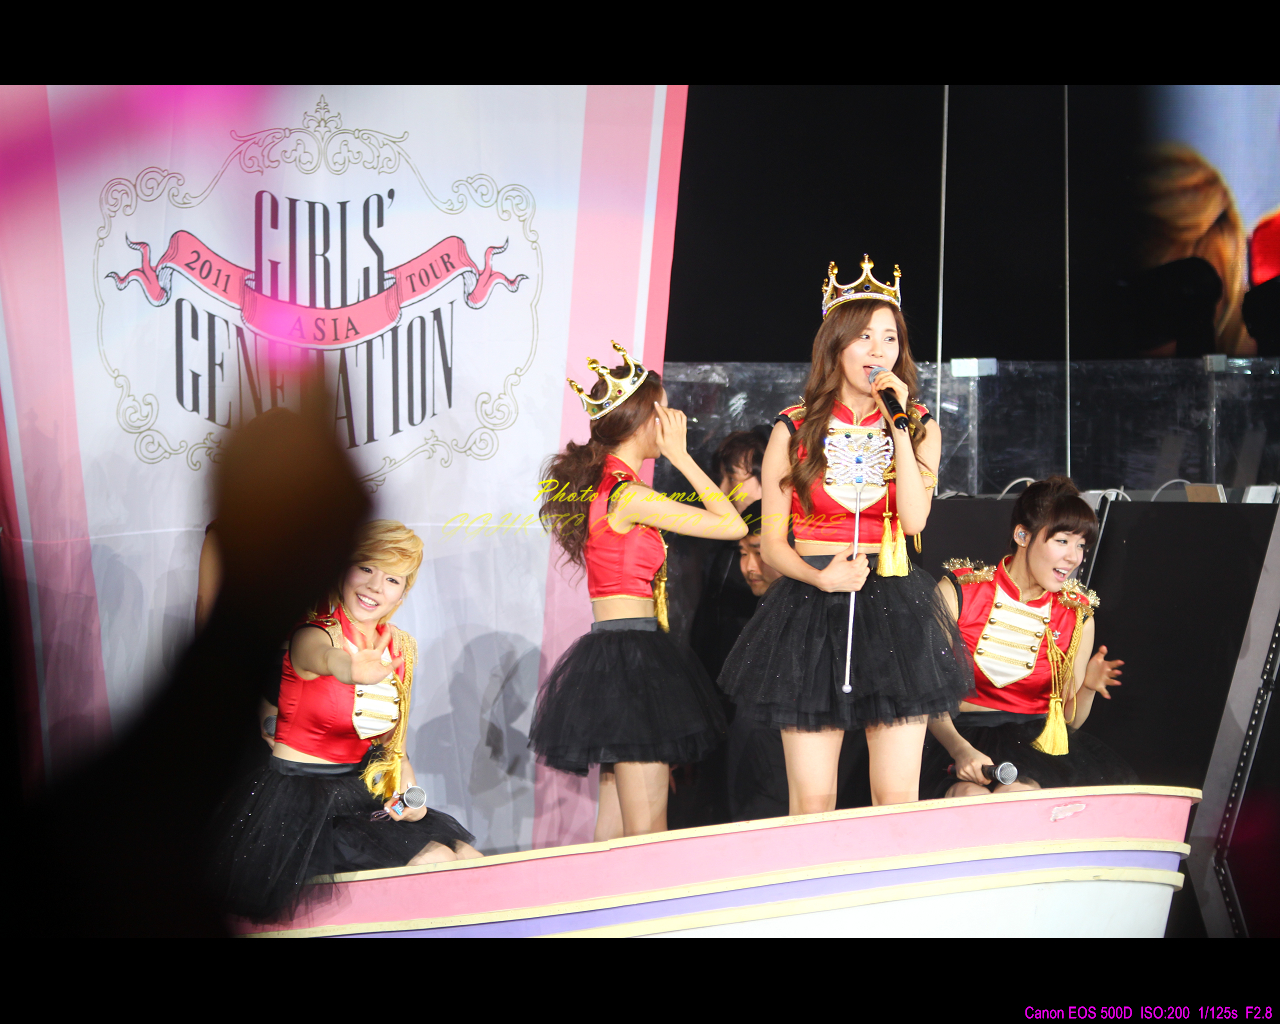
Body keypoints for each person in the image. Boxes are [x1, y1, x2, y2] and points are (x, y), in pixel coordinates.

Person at [720, 256, 970, 814]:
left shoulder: (919, 425)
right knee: (813, 800)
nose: (879, 350)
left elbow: (914, 520)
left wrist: (900, 426)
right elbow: (773, 543)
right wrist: (820, 578)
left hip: (893, 606)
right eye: (865, 336)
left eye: (890, 338)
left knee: (896, 797)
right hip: (810, 607)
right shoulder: (793, 427)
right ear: (836, 345)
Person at [209, 519, 480, 923]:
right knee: (435, 861)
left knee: (469, 858)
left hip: (362, 792)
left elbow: (394, 749)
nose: (375, 586)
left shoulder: (401, 646)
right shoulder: (311, 633)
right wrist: (351, 668)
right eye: (365, 568)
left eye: (392, 579)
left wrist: (410, 795)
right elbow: (320, 657)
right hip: (301, 804)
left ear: (404, 591)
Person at [531, 342, 747, 839]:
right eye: (664, 412)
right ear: (644, 420)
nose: (672, 421)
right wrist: (682, 456)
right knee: (647, 830)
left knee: (612, 826)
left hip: (614, 654)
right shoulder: (629, 495)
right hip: (635, 657)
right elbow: (733, 524)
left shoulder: (607, 487)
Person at [922, 477, 1136, 797]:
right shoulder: (960, 592)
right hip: (952, 738)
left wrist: (1087, 689)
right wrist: (960, 750)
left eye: (1081, 545)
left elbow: (1066, 724)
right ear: (1022, 535)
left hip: (1032, 750)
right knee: (969, 797)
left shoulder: (1076, 616)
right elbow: (923, 694)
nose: (1074, 557)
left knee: (1017, 796)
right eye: (1062, 541)